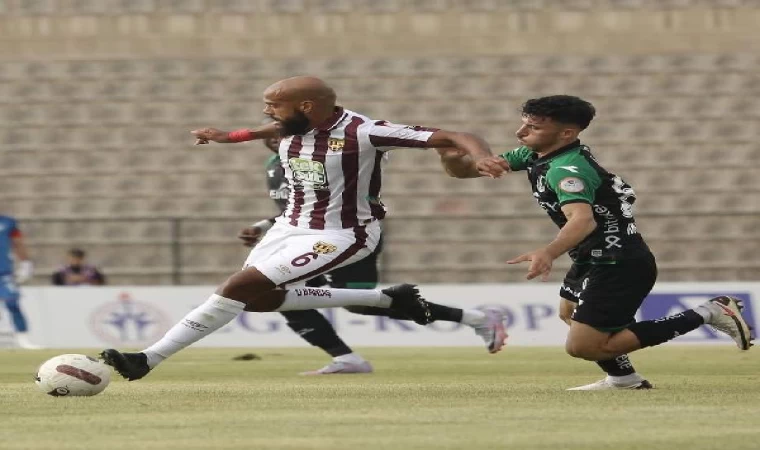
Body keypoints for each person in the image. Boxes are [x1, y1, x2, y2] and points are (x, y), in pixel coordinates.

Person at [101, 76, 507, 381]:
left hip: (341, 234)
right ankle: (385, 299)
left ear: (307, 106)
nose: (267, 113)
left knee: (238, 287)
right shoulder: (293, 127)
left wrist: (481, 157)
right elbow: (269, 130)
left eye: (273, 105)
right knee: (258, 300)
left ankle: (147, 359)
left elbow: (456, 135)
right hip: (287, 228)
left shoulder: (364, 132)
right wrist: (230, 137)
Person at [436, 94, 754, 390]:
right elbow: (465, 171)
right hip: (592, 255)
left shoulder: (567, 170)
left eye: (533, 127)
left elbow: (582, 220)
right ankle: (624, 379)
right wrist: (450, 158)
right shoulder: (535, 154)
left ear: (566, 133)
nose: (520, 133)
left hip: (619, 259)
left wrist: (548, 252)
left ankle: (711, 311)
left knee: (583, 346)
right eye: (524, 124)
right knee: (569, 312)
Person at [238, 120, 503, 375]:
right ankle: (346, 358)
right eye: (270, 134)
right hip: (307, 238)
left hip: (344, 237)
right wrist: (262, 226)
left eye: (281, 132)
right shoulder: (275, 163)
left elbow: (332, 204)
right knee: (278, 296)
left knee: (357, 305)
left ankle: (475, 318)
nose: (275, 138)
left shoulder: (319, 158)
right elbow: (298, 210)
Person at [0, 214, 39, 349]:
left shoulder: (7, 222)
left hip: (3, 272)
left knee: (12, 303)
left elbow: (17, 243)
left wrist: (25, 263)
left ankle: (23, 339)